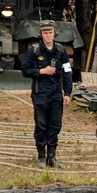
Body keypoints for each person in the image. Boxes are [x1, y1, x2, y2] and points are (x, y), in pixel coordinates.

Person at [21, 20, 73, 168]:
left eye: (50, 32)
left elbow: (67, 72)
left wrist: (68, 92)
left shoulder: (61, 50)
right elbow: (25, 70)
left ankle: (52, 156)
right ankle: (41, 156)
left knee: (55, 124)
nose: (48, 35)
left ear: (54, 33)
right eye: (45, 33)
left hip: (56, 93)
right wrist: (41, 71)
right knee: (41, 124)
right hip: (40, 92)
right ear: (41, 34)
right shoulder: (34, 50)